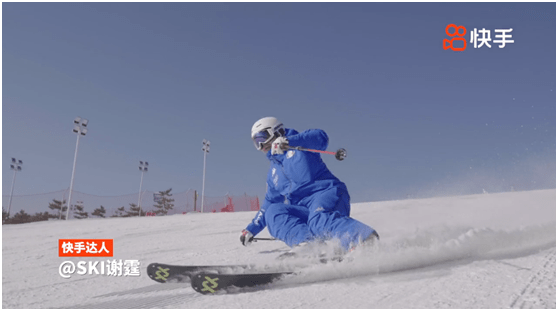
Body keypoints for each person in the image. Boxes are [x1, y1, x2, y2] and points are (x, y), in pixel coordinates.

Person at [240, 117, 379, 253]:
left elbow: (321, 137)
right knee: (274, 212)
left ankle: (364, 239)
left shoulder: (299, 145)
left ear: (275, 132)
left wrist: (289, 141)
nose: (261, 146)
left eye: (262, 138)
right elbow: (269, 202)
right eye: (256, 142)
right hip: (304, 208)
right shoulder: (273, 172)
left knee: (318, 219)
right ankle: (309, 246)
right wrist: (251, 229)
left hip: (326, 194)